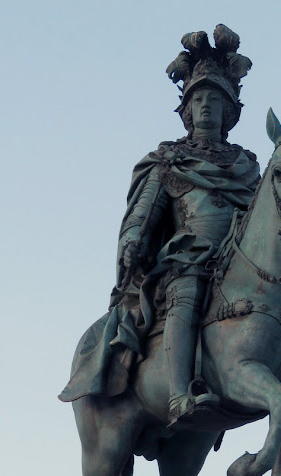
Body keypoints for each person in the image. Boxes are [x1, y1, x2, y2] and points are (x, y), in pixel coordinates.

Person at [60, 25, 260, 426]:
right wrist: (133, 241)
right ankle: (179, 394)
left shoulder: (247, 165)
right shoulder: (167, 160)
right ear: (187, 110)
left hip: (238, 260)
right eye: (198, 99)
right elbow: (143, 212)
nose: (205, 106)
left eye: (214, 100)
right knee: (186, 293)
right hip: (188, 257)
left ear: (229, 111)